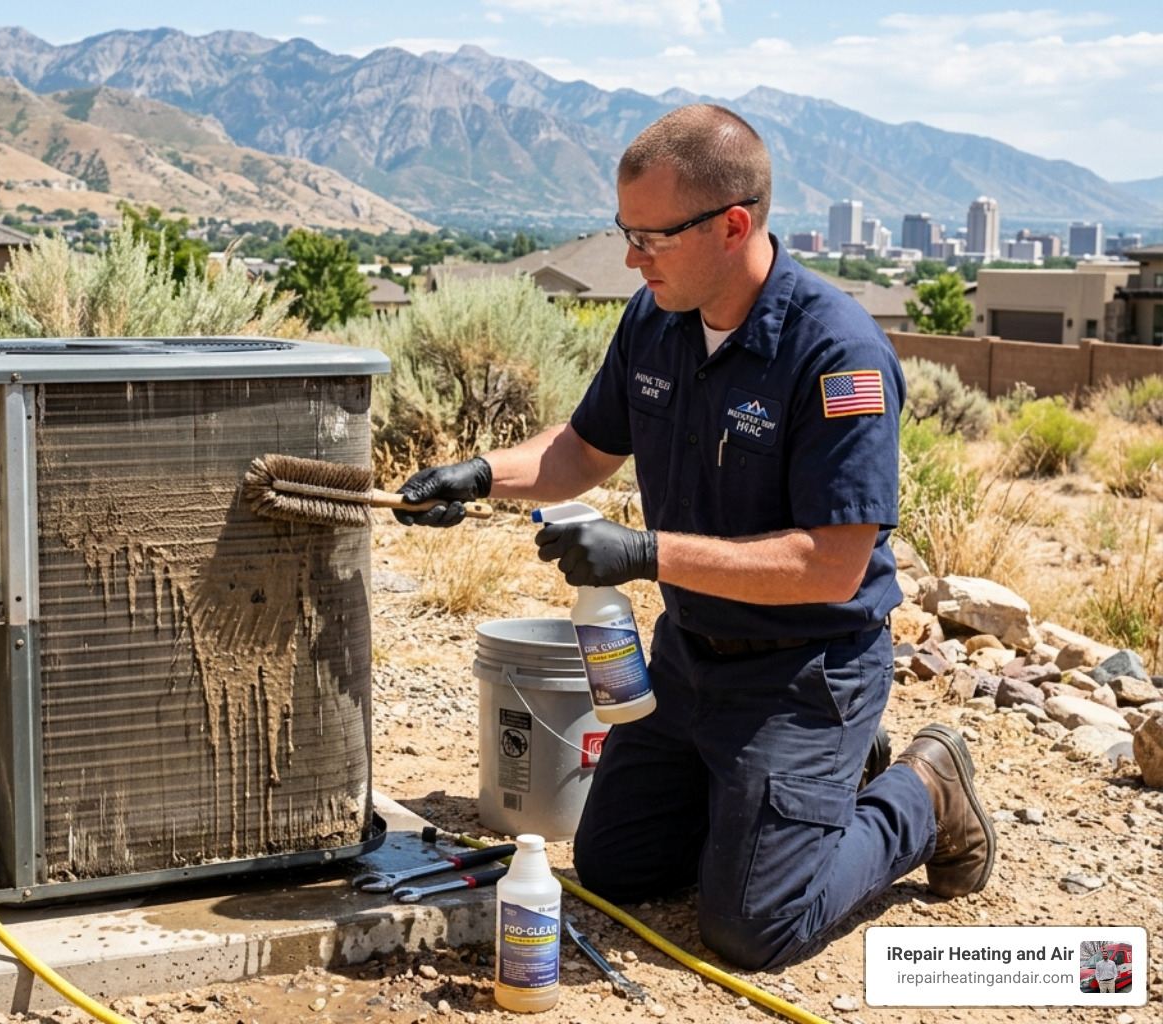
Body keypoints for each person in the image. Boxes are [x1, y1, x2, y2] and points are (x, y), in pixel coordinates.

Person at [395, 104, 996, 971]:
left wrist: (645, 555)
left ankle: (924, 791)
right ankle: (793, 792)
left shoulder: (838, 357)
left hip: (804, 669)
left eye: (651, 237)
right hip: (686, 661)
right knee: (613, 868)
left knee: (753, 928)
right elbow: (577, 452)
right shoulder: (656, 318)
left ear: (734, 224)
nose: (632, 258)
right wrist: (479, 476)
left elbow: (831, 567)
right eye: (624, 232)